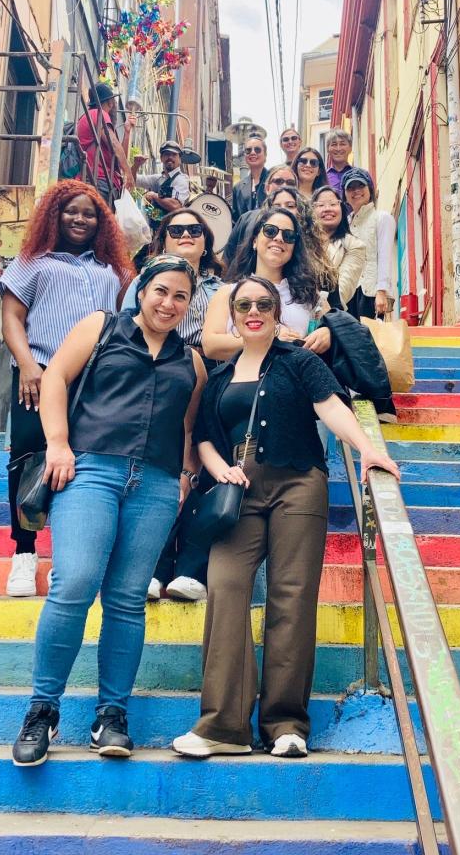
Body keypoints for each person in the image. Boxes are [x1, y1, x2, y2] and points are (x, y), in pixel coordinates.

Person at [172, 277, 400, 759]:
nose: (253, 312)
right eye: (244, 306)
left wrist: (366, 449)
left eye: (263, 304)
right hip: (238, 489)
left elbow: (330, 406)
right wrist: (221, 469)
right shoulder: (219, 376)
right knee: (225, 586)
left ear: (277, 314)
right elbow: (205, 437)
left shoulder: (299, 362)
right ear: (233, 317)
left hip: (298, 481)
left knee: (292, 595)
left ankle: (286, 724)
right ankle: (224, 726)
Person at [11, 255, 207, 767]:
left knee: (126, 600)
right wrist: (58, 443)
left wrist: (185, 476)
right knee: (74, 583)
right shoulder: (101, 326)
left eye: (181, 296)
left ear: (189, 305)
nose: (169, 303)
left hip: (156, 484)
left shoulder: (192, 361)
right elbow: (56, 378)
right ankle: (42, 710)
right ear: (142, 291)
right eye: (161, 291)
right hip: (90, 470)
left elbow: (188, 427)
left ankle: (111, 715)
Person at [0, 180, 134, 599]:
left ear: (101, 223)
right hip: (39, 375)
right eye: (71, 211)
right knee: (28, 458)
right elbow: (12, 318)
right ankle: (24, 551)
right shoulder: (32, 262)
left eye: (89, 214)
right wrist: (27, 365)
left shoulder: (113, 270)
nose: (80, 219)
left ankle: (72, 552)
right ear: (54, 215)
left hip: (95, 380)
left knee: (84, 463)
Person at [122, 210, 224, 603]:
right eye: (176, 229)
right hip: (157, 372)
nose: (186, 235)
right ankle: (154, 565)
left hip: (209, 373)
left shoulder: (221, 288)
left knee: (201, 466)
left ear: (206, 240)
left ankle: (191, 569)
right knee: (161, 467)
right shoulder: (144, 282)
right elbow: (129, 325)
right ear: (162, 238)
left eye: (195, 229)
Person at [203, 207, 331, 360]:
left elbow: (335, 327)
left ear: (294, 248)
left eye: (288, 235)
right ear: (254, 241)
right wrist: (269, 338)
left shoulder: (309, 294)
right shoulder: (228, 292)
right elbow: (210, 346)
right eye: (270, 231)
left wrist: (328, 333)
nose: (279, 238)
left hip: (298, 373)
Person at [342, 168, 395, 320]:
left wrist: (382, 291)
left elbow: (385, 257)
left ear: (370, 189)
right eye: (351, 187)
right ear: (345, 195)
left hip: (371, 292)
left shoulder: (382, 218)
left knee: (370, 333)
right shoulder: (345, 224)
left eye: (361, 185)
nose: (356, 191)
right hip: (347, 294)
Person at [224, 164, 298, 266]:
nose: (284, 186)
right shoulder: (247, 219)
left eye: (290, 183)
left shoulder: (303, 224)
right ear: (267, 188)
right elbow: (228, 257)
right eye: (278, 181)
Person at [76, 83, 135, 205]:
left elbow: (118, 157)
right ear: (110, 102)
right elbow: (114, 144)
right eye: (113, 101)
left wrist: (127, 132)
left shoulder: (90, 116)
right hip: (99, 180)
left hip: (99, 181)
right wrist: (128, 172)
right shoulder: (99, 113)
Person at [312, 185, 366, 309]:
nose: (327, 209)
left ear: (341, 208)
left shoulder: (355, 245)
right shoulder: (301, 241)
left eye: (333, 204)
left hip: (328, 311)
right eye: (321, 205)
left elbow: (343, 291)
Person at [132, 140, 190, 231]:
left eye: (174, 155)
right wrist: (136, 165)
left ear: (180, 159)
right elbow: (133, 180)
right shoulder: (158, 178)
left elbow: (176, 206)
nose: (170, 157)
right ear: (161, 158)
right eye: (167, 154)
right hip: (156, 232)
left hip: (173, 233)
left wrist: (154, 196)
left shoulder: (181, 179)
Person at [232, 135, 269, 222]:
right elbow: (235, 220)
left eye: (257, 150)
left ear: (265, 155)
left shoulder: (275, 180)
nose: (252, 153)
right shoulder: (238, 188)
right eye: (248, 150)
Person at [325, 128, 353, 197]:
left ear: (350, 148)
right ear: (327, 149)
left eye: (342, 144)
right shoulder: (322, 178)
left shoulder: (361, 175)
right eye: (334, 144)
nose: (338, 149)